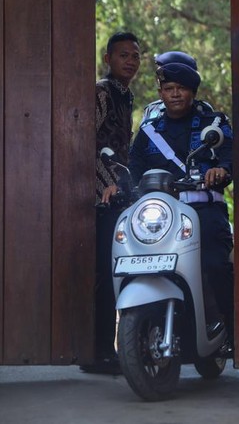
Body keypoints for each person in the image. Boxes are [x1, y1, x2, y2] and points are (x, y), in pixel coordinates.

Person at [129, 51, 234, 343]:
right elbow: (133, 167)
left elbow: (231, 156)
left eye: (181, 88)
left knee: (216, 264)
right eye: (169, 89)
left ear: (192, 91)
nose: (175, 94)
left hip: (204, 211)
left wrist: (220, 170)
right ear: (161, 93)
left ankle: (235, 334)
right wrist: (120, 186)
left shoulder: (213, 123)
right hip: (163, 215)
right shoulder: (149, 131)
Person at [83, 31, 141, 374]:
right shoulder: (102, 92)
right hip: (99, 196)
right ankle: (100, 353)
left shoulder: (127, 95)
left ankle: (109, 349)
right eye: (123, 55)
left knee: (118, 271)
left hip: (119, 195)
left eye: (135, 55)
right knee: (104, 274)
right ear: (108, 59)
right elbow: (85, 141)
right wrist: (106, 185)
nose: (130, 61)